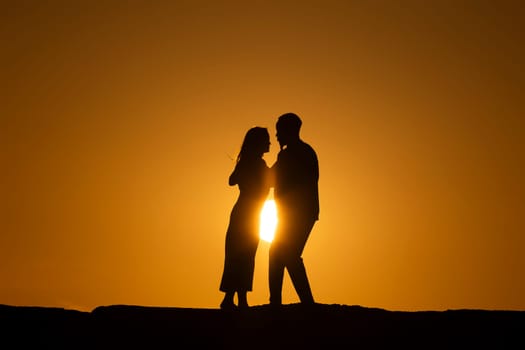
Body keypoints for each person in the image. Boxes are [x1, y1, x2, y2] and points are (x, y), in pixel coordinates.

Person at [269, 112, 319, 306]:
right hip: (296, 213)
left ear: (288, 131)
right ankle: (278, 301)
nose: (276, 136)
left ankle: (305, 302)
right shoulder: (297, 152)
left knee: (287, 254)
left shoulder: (294, 154)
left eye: (279, 131)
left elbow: (272, 178)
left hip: (299, 214)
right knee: (279, 253)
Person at [219, 126, 271, 310]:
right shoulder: (257, 164)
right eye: (266, 140)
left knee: (238, 254)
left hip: (245, 211)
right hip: (249, 212)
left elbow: (232, 180)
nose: (270, 143)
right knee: (244, 255)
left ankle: (232, 298)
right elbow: (233, 180)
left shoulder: (250, 163)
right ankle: (238, 300)